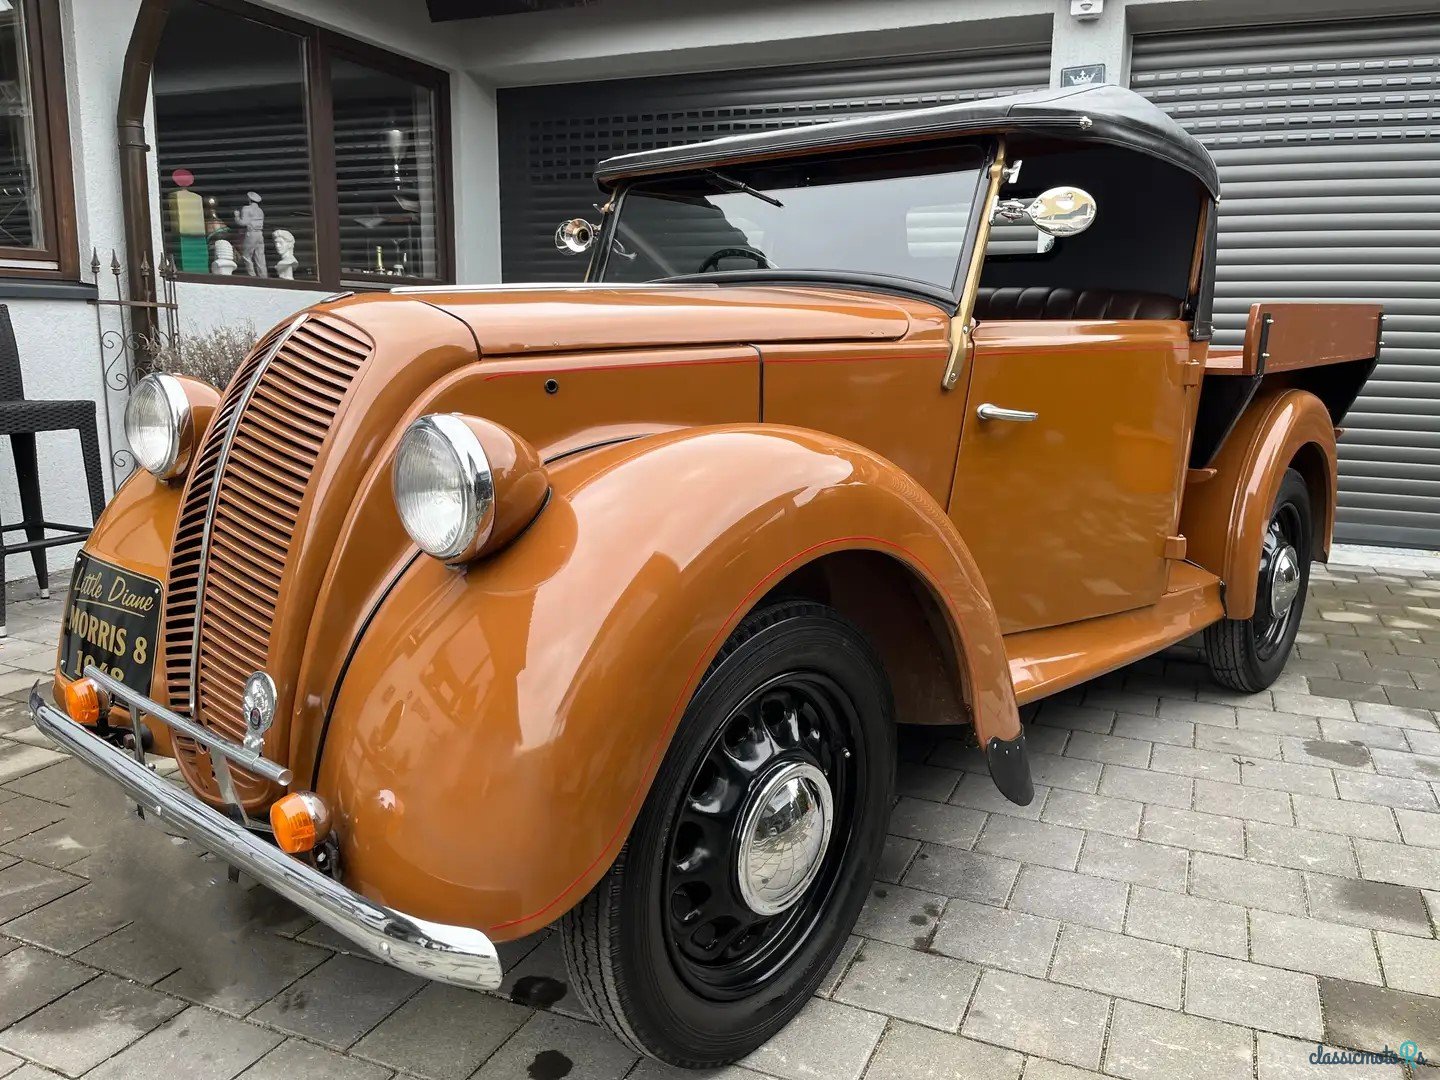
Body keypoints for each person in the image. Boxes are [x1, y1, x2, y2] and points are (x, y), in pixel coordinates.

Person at [235, 192, 266, 277]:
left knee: (246, 255)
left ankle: (252, 276)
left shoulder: (246, 208)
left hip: (251, 234)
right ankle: (263, 276)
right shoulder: (260, 211)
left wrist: (237, 216)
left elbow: (243, 223)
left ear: (249, 199)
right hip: (260, 234)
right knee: (260, 256)